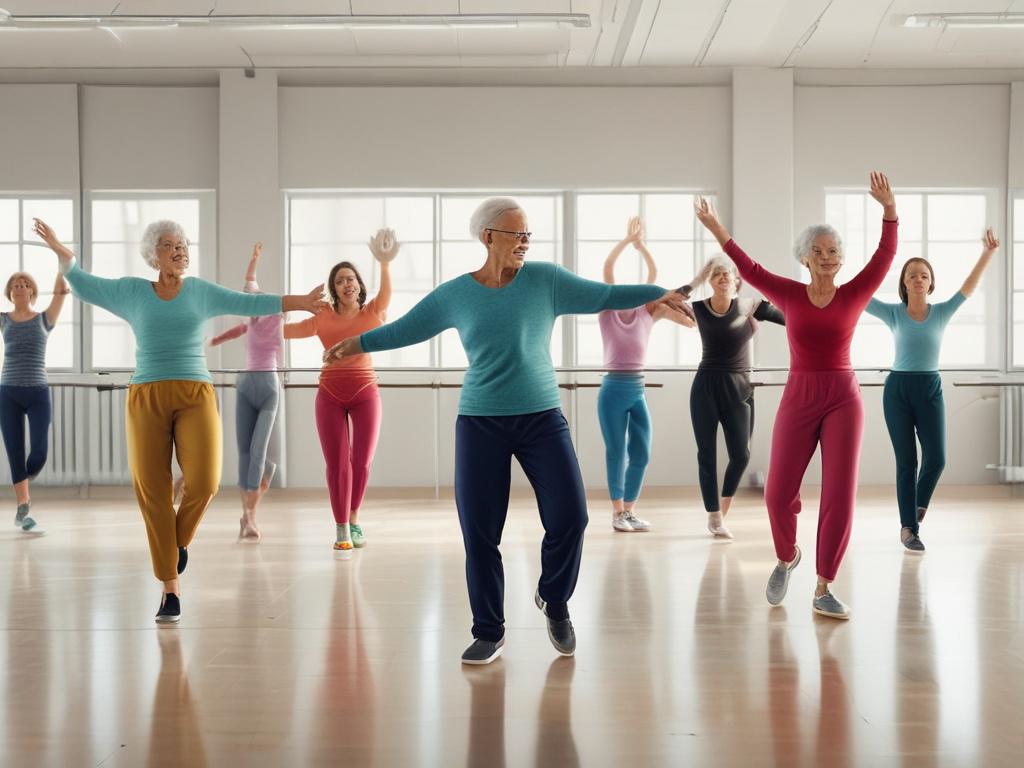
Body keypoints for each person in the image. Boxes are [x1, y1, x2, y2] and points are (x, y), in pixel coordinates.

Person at [323, 198, 689, 664]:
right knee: (479, 532)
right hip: (480, 422)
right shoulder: (457, 293)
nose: (524, 243)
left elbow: (603, 294)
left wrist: (658, 291)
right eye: (516, 235)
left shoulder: (546, 280)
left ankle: (554, 599)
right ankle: (489, 631)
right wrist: (356, 342)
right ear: (488, 237)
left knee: (571, 517)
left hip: (542, 418)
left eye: (528, 235)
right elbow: (407, 329)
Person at [33, 218, 325, 624]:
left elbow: (250, 303)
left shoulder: (200, 291)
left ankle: (177, 543)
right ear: (154, 254)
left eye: (184, 244)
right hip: (147, 394)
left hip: (195, 393)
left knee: (204, 481)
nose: (180, 250)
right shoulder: (133, 292)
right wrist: (65, 257)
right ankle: (170, 589)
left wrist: (300, 301)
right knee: (152, 490)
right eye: (170, 245)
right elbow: (85, 285)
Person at [694, 171, 898, 620]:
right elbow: (750, 269)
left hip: (843, 395)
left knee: (839, 492)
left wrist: (888, 211)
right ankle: (788, 556)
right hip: (800, 394)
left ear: (840, 260)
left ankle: (824, 584)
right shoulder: (788, 293)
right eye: (818, 251)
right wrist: (717, 230)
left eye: (834, 252)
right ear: (804, 258)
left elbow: (885, 257)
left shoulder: (855, 292)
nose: (827, 257)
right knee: (777, 493)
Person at [866, 229, 999, 552]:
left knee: (936, 459)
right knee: (906, 462)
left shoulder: (941, 312)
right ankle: (909, 529)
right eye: (912, 275)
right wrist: (833, 267)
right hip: (897, 389)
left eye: (924, 275)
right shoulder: (893, 312)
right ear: (904, 282)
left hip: (929, 388)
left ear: (931, 282)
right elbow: (861, 296)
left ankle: (916, 510)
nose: (918, 279)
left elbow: (968, 288)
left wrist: (987, 253)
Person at [284, 229, 399, 556]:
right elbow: (287, 331)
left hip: (365, 394)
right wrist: (260, 315)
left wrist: (385, 264)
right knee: (337, 464)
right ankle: (341, 527)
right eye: (339, 281)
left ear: (360, 285)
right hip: (330, 396)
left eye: (351, 279)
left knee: (361, 462)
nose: (347, 284)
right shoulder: (323, 317)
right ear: (334, 290)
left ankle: (353, 516)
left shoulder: (373, 312)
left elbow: (387, 293)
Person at [598, 216, 694, 533]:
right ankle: (616, 514)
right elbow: (608, 269)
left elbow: (654, 278)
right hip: (612, 389)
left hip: (637, 390)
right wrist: (627, 242)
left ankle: (629, 511)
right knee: (616, 451)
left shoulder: (647, 312)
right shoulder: (608, 311)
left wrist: (643, 248)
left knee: (641, 451)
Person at [684, 255, 785, 540]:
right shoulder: (697, 308)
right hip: (705, 387)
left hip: (740, 388)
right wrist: (696, 279)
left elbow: (791, 319)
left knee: (741, 455)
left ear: (737, 280)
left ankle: (721, 513)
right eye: (716, 273)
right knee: (706, 454)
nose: (723, 276)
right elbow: (666, 301)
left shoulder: (749, 306)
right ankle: (714, 517)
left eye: (728, 273)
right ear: (710, 280)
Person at [208, 242, 283, 542]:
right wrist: (212, 342)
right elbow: (248, 287)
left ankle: (250, 514)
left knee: (259, 453)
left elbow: (256, 290)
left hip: (268, 387)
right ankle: (247, 517)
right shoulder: (249, 322)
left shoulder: (278, 318)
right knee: (243, 452)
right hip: (245, 385)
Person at [1, 269, 70, 535]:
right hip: (8, 392)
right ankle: (23, 506)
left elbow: (60, 294)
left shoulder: (44, 318)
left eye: (25, 284)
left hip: (38, 392)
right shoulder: (4, 320)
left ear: (31, 291)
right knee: (14, 451)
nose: (20, 287)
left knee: (38, 453)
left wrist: (62, 264)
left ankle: (23, 482)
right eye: (15, 284)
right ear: (10, 293)